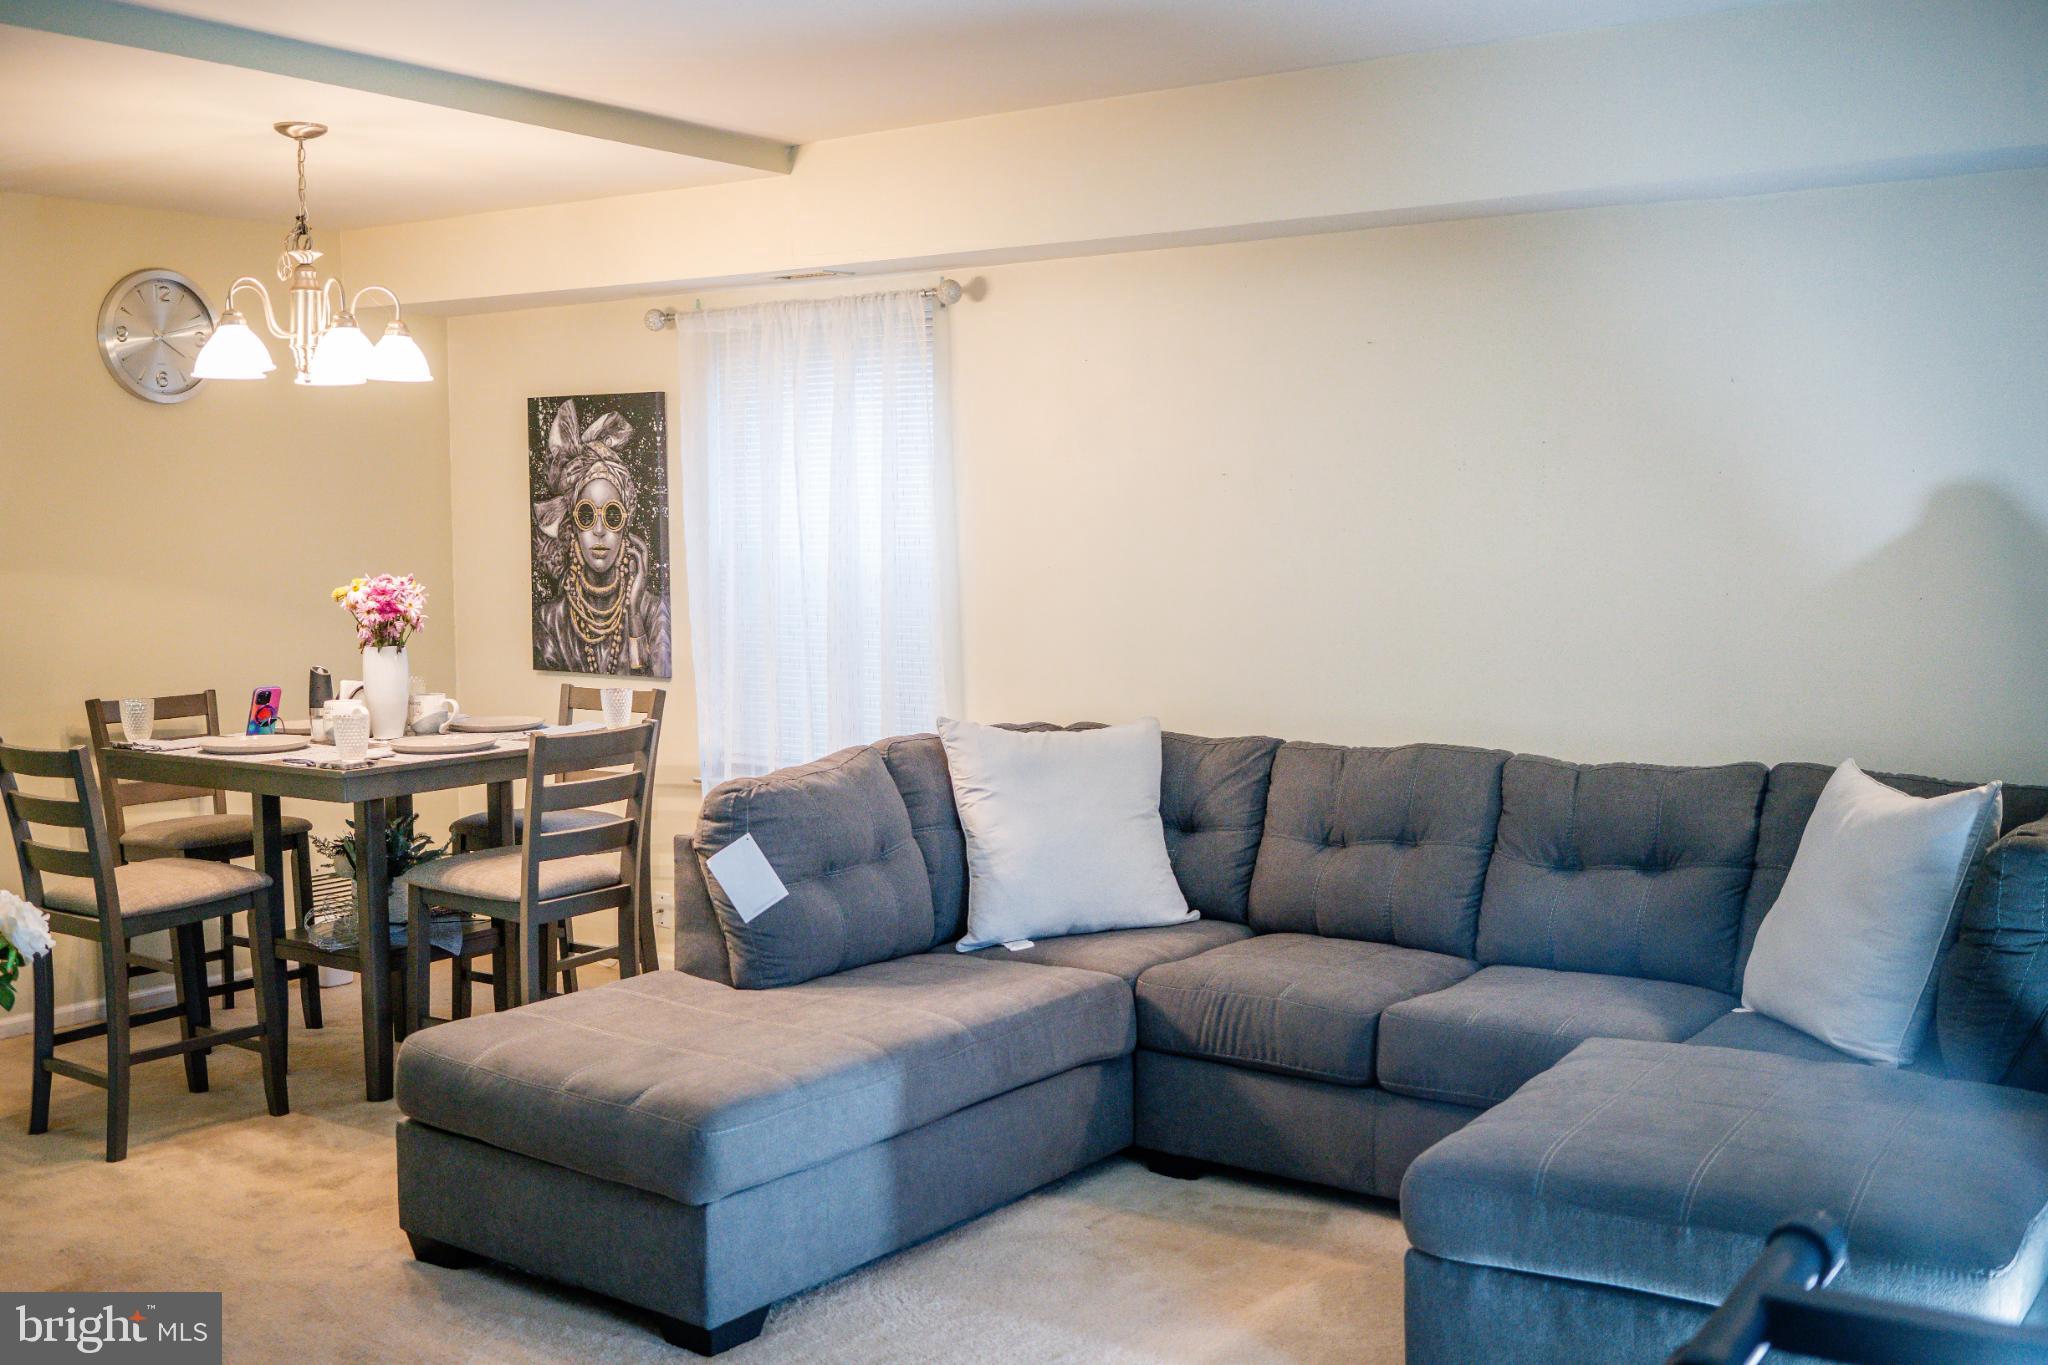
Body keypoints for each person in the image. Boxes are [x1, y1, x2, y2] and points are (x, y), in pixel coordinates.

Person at [531, 399, 671, 676]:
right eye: (586, 515)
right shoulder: (550, 620)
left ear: (625, 528)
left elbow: (654, 679)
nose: (598, 530)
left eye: (612, 516)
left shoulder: (653, 611)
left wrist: (633, 612)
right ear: (572, 526)